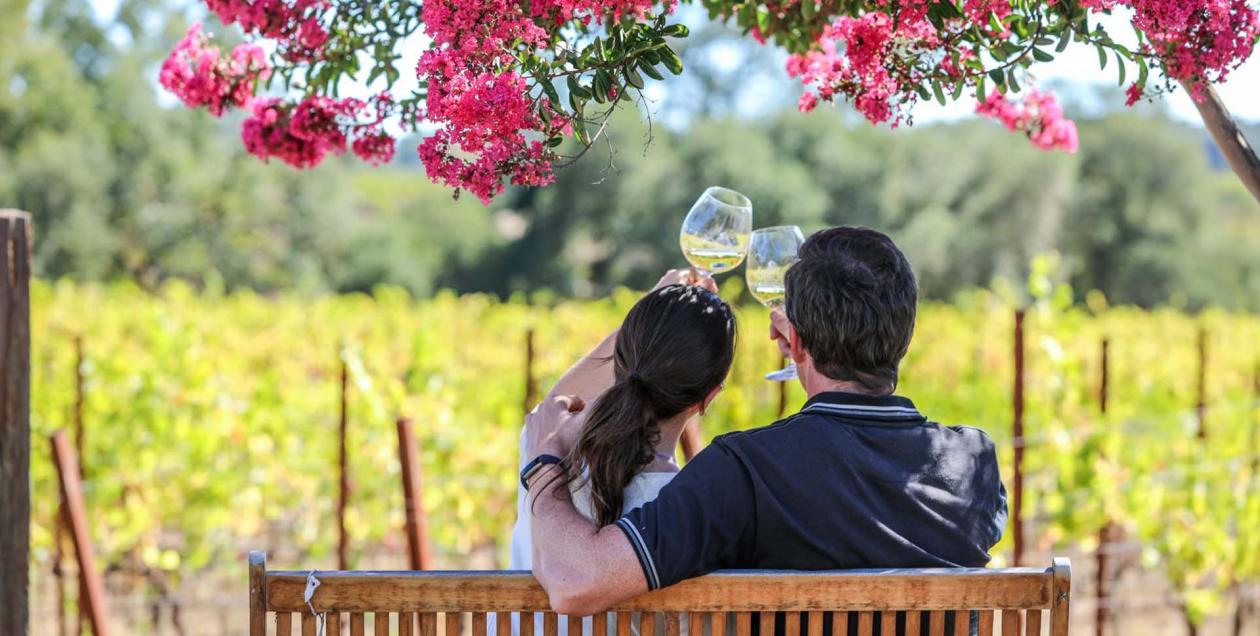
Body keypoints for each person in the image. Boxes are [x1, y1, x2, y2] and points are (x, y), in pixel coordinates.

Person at [521, 227, 1008, 633]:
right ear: (905, 335)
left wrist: (543, 465)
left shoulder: (747, 472)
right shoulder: (977, 465)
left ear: (787, 339)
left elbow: (574, 580)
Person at [505, 269, 736, 635]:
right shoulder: (686, 508)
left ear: (621, 359)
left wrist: (646, 312)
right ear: (708, 398)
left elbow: (557, 400)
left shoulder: (544, 445)